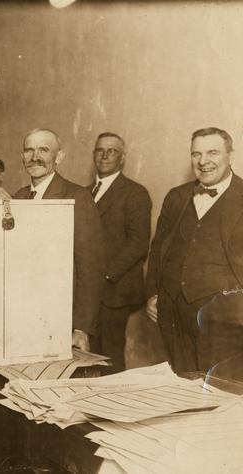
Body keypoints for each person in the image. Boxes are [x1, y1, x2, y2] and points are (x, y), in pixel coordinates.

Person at [0, 128, 104, 351]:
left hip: (62, 319)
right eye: (29, 150)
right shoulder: (19, 196)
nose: (35, 157)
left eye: (43, 150)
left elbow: (91, 268)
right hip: (23, 318)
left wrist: (82, 328)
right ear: (21, 157)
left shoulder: (78, 197)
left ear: (58, 157)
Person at [146, 127, 243, 374]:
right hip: (172, 312)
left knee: (220, 392)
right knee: (180, 388)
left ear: (230, 155)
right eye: (196, 154)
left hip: (225, 318)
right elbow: (158, 249)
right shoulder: (176, 196)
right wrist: (153, 294)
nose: (203, 162)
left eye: (212, 153)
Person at [88, 133, 151, 373]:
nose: (104, 155)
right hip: (89, 292)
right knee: (87, 355)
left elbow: (138, 243)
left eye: (111, 151)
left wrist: (104, 275)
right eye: (99, 150)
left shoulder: (135, 193)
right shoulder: (85, 193)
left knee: (109, 355)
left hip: (114, 291)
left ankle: (111, 408)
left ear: (122, 158)